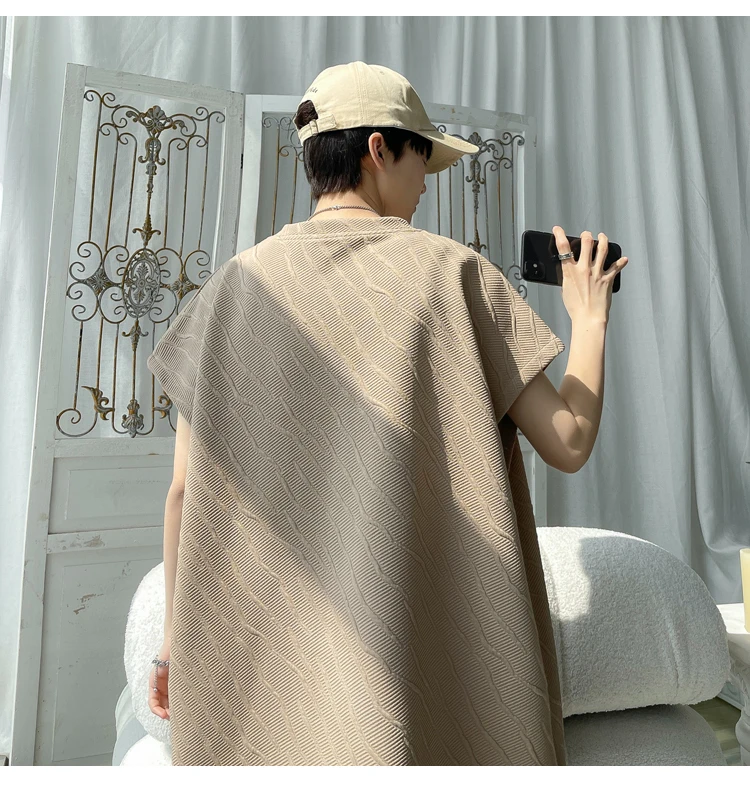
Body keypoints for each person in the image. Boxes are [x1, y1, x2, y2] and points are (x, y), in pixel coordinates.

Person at [145, 61, 628, 766]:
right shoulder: (453, 274)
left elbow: (185, 491)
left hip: (266, 673)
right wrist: (590, 317)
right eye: (421, 157)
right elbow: (570, 440)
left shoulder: (229, 290)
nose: (427, 181)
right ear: (378, 149)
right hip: (418, 657)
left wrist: (171, 645)